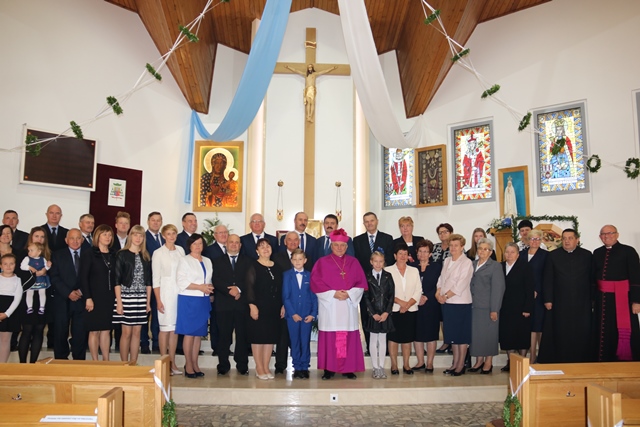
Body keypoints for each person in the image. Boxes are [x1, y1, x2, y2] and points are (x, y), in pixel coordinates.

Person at [311, 228, 367, 380]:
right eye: (336, 245)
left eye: (342, 245)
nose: (339, 248)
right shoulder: (322, 262)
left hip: (347, 305)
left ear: (347, 246)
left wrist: (349, 294)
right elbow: (316, 283)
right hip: (330, 307)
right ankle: (329, 368)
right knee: (330, 337)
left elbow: (361, 283)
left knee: (346, 336)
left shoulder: (354, 262)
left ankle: (347, 368)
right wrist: (333, 294)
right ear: (331, 245)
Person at [539, 229, 593, 363]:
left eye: (570, 238)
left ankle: (582, 359)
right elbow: (547, 279)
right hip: (559, 302)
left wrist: (593, 300)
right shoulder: (553, 255)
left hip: (582, 302)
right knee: (560, 331)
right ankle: (560, 359)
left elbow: (592, 279)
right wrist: (548, 299)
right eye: (564, 238)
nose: (567, 241)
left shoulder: (587, 255)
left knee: (581, 332)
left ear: (577, 240)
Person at [593, 225, 640, 361]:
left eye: (610, 233)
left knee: (622, 330)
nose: (606, 236)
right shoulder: (597, 252)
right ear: (600, 237)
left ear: (617, 235)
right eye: (603, 234)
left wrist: (636, 301)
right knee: (603, 330)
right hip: (602, 299)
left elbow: (636, 277)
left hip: (624, 299)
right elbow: (593, 277)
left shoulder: (629, 251)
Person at [354, 212, 394, 355]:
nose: (369, 223)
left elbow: (390, 260)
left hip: (382, 282)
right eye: (366, 221)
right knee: (367, 314)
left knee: (384, 314)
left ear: (377, 221)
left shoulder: (387, 238)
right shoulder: (357, 240)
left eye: (372, 220)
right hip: (365, 283)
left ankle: (385, 349)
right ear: (363, 223)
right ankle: (370, 347)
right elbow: (356, 263)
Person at [246, 238, 284, 380]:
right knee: (258, 337)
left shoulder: (277, 267)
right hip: (258, 306)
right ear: (257, 251)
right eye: (262, 247)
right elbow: (249, 287)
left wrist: (283, 305)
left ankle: (266, 366)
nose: (265, 249)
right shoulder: (253, 266)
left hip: (274, 307)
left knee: (270, 338)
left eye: (268, 246)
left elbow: (282, 288)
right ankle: (259, 367)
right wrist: (252, 305)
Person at [176, 233, 213, 378]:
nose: (198, 246)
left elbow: (208, 279)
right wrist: (200, 287)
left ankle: (195, 363)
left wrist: (209, 288)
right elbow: (181, 281)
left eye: (200, 243)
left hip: (203, 300)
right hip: (189, 299)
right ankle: (188, 365)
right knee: (189, 334)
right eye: (195, 244)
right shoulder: (184, 260)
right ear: (189, 246)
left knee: (198, 335)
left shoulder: (208, 260)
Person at [113, 225, 152, 365]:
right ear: (130, 236)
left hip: (141, 297)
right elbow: (116, 280)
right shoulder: (122, 254)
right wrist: (119, 302)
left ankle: (133, 363)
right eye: (135, 235)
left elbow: (148, 281)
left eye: (141, 235)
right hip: (126, 297)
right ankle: (124, 364)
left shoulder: (145, 256)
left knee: (137, 333)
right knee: (126, 333)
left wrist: (148, 302)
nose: (138, 238)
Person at [436, 234, 473, 376]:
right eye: (451, 245)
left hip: (460, 303)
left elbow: (461, 284)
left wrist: (445, 296)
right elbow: (441, 279)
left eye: (456, 245)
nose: (453, 248)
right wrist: (438, 293)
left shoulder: (466, 262)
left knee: (461, 336)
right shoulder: (447, 260)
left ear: (462, 247)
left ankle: (461, 364)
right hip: (447, 303)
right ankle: (455, 363)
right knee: (453, 336)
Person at [213, 234, 250, 376]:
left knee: (242, 336)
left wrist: (239, 289)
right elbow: (216, 279)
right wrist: (230, 291)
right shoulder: (217, 261)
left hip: (242, 304)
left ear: (240, 245)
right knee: (224, 336)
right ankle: (223, 364)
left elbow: (250, 279)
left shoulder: (248, 261)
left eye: (237, 242)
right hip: (224, 304)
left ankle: (242, 364)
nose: (234, 244)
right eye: (231, 242)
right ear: (226, 244)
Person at [468, 238, 505, 374]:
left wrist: (495, 309)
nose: (482, 251)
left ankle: (488, 361)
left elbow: (498, 289)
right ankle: (479, 361)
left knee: (489, 334)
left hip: (488, 307)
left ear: (490, 252)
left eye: (486, 249)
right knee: (476, 335)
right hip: (473, 305)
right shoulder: (472, 264)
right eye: (480, 248)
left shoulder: (495, 266)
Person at [49, 229, 87, 360]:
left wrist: (81, 291)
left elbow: (92, 276)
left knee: (80, 333)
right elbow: (54, 277)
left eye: (78, 238)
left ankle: (79, 361)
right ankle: (61, 360)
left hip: (81, 299)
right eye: (72, 238)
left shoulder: (88, 255)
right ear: (66, 240)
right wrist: (68, 292)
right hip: (62, 298)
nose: (75, 241)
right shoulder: (57, 255)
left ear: (82, 240)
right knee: (60, 331)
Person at [80, 224, 116, 361]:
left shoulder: (113, 254)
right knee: (94, 330)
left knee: (106, 329)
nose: (108, 237)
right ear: (97, 236)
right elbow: (83, 278)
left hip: (109, 297)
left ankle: (106, 360)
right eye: (104, 234)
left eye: (110, 235)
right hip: (94, 297)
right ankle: (95, 361)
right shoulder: (89, 253)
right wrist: (88, 297)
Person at [152, 224, 184, 375]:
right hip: (165, 293)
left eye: (174, 233)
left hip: (179, 293)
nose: (171, 236)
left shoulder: (181, 251)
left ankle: (173, 362)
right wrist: (158, 300)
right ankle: (164, 362)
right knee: (165, 329)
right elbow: (156, 279)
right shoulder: (158, 253)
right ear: (163, 236)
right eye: (169, 234)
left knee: (174, 330)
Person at [385, 243, 421, 375]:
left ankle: (406, 364)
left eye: (405, 254)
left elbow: (418, 290)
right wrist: (401, 303)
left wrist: (407, 305)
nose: (402, 256)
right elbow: (386, 292)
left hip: (410, 309)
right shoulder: (387, 270)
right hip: (394, 309)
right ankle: (394, 365)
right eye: (400, 253)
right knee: (393, 338)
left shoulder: (414, 270)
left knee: (407, 338)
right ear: (395, 255)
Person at [17, 227, 50, 363]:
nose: (39, 239)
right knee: (27, 330)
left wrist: (46, 271)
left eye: (42, 237)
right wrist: (33, 272)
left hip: (43, 296)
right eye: (37, 236)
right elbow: (19, 273)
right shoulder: (24, 254)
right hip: (28, 295)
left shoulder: (47, 255)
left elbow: (52, 272)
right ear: (31, 237)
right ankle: (22, 364)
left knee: (39, 329)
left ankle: (33, 363)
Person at [282, 249, 317, 379]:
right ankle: (297, 366)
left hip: (307, 315)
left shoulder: (310, 275)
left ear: (305, 260)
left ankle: (305, 366)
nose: (297, 262)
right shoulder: (287, 275)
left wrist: (313, 314)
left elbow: (314, 296)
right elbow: (286, 297)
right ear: (291, 261)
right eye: (295, 259)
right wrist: (292, 313)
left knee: (305, 341)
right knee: (294, 341)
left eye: (300, 259)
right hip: (293, 315)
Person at [499, 242, 534, 372]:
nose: (509, 254)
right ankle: (510, 361)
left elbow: (530, 289)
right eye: (507, 252)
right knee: (507, 335)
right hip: (505, 307)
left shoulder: (525, 267)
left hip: (521, 308)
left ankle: (522, 360)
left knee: (522, 335)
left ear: (518, 254)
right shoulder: (500, 267)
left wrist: (528, 308)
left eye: (512, 252)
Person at [364, 251, 394, 379]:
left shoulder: (388, 276)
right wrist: (373, 313)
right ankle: (375, 367)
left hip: (384, 313)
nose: (378, 264)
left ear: (384, 262)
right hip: (373, 314)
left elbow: (391, 295)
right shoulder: (367, 276)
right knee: (373, 340)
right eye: (375, 261)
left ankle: (381, 366)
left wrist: (387, 312)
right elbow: (365, 297)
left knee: (382, 340)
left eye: (380, 261)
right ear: (371, 262)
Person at [413, 239, 442, 373]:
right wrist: (418, 297)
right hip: (416, 304)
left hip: (432, 304)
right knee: (417, 334)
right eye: (420, 251)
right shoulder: (412, 267)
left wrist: (427, 297)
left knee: (431, 334)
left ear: (430, 254)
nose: (422, 254)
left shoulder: (437, 267)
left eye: (425, 251)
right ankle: (420, 362)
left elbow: (439, 285)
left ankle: (430, 363)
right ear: (417, 253)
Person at [520, 229, 547, 364]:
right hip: (524, 296)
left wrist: (536, 290)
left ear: (541, 240)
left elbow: (546, 276)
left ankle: (539, 356)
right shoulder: (521, 254)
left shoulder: (546, 255)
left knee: (538, 325)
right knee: (528, 326)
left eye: (537, 239)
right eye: (532, 239)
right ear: (527, 240)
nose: (535, 241)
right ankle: (529, 356)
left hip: (539, 296)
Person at [202, 224, 227, 357]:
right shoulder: (209, 251)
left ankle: (226, 347)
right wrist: (211, 292)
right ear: (215, 235)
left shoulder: (232, 248)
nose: (223, 235)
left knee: (227, 322)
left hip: (229, 293)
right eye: (220, 233)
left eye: (225, 232)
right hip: (215, 292)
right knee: (216, 321)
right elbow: (207, 273)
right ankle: (216, 347)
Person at [143, 211, 164, 355]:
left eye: (158, 220)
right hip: (146, 281)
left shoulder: (164, 238)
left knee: (157, 313)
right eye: (153, 220)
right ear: (148, 221)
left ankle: (157, 342)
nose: (156, 223)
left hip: (160, 283)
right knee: (145, 314)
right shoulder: (142, 237)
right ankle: (144, 343)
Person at [432, 223, 454, 354]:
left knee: (450, 316)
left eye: (445, 232)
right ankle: (446, 341)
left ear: (451, 233)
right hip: (436, 285)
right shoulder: (434, 247)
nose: (443, 234)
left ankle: (452, 341)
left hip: (451, 287)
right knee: (441, 316)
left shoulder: (455, 248)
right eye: (440, 232)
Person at [0, 254, 23, 363]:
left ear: (15, 265)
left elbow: (17, 298)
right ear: (1, 266)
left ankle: (2, 365)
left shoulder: (18, 280)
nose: (8, 266)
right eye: (5, 264)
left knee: (5, 340)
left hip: (9, 311)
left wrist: (6, 314)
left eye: (11, 264)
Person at [20, 242, 51, 315]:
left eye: (31, 250)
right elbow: (22, 266)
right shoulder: (27, 258)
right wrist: (30, 267)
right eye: (29, 250)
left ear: (39, 252)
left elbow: (46, 267)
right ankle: (29, 307)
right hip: (31, 279)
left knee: (42, 293)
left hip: (41, 279)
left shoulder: (43, 259)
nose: (29, 252)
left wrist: (48, 266)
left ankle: (42, 307)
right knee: (29, 293)